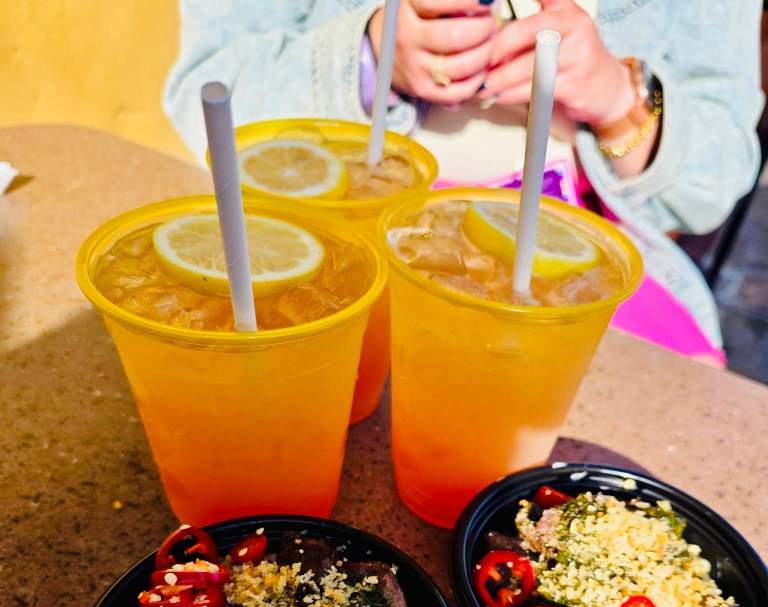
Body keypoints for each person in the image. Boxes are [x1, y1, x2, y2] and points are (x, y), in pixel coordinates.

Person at [163, 0, 765, 363]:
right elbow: (207, 97)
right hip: (335, 238)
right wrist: (369, 59)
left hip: (585, 264)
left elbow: (710, 188)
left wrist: (617, 99)